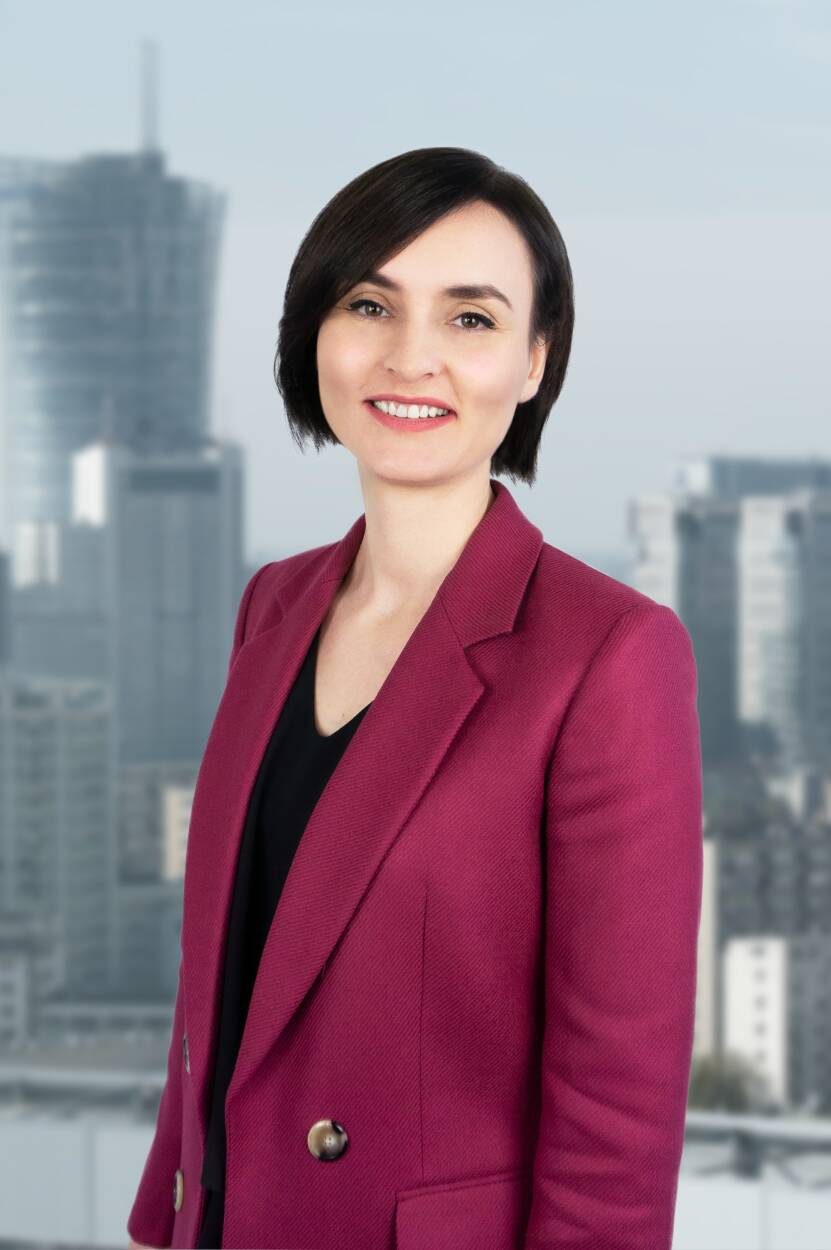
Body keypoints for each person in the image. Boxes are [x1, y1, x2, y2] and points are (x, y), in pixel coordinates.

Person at [128, 146, 702, 1249]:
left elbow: (617, 1107)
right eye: (369, 304)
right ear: (315, 332)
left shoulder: (611, 654)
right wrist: (169, 1208)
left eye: (470, 318)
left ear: (535, 361)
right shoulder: (274, 603)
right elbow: (230, 968)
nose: (410, 356)